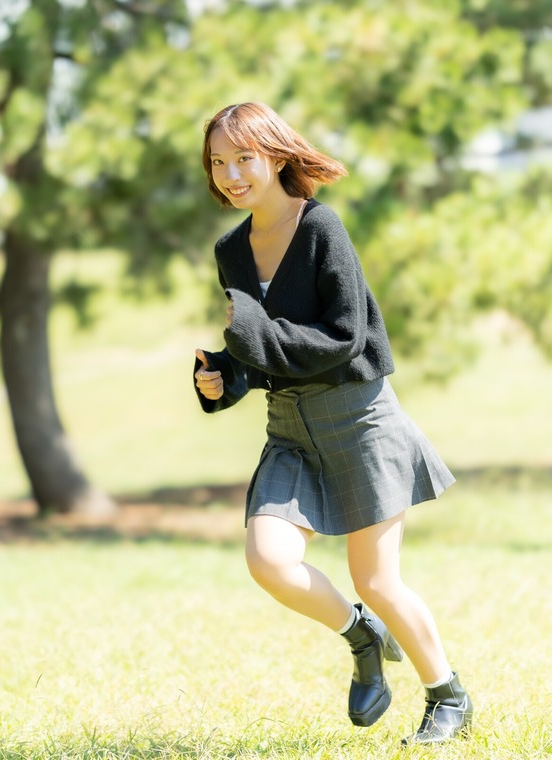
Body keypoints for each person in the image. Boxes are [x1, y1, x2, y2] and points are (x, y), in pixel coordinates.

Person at [191, 102, 473, 745]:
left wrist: (252, 336)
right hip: (289, 427)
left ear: (277, 155)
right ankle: (361, 633)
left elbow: (344, 336)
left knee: (377, 578)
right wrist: (223, 377)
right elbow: (261, 355)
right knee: (269, 560)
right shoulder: (231, 250)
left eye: (244, 158)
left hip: (360, 420)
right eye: (218, 162)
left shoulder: (321, 227)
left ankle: (448, 697)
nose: (231, 174)